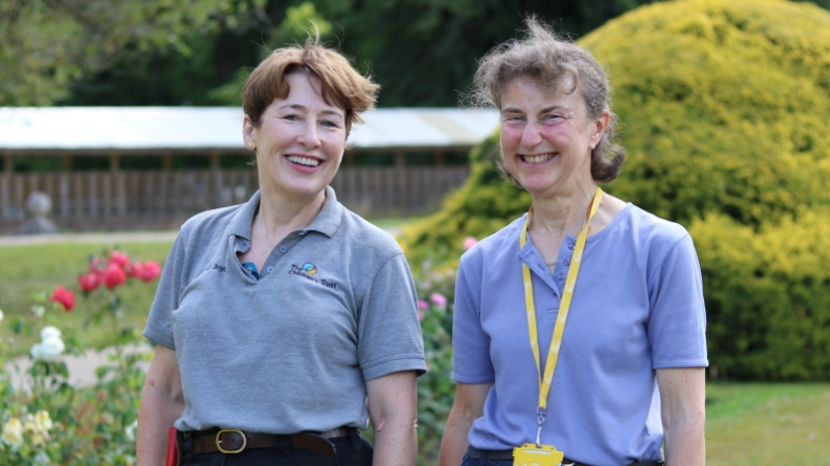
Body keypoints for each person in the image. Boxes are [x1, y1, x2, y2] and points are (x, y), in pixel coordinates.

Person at [137, 36, 426, 466]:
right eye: (292, 116)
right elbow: (164, 390)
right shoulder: (197, 237)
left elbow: (394, 417)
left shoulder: (373, 255)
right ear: (250, 130)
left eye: (329, 123)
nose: (311, 139)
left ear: (345, 139)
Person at [439, 18, 707, 466]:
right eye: (514, 118)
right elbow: (466, 413)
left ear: (597, 127)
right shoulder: (481, 263)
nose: (530, 137)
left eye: (552, 116)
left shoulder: (659, 248)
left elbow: (684, 415)